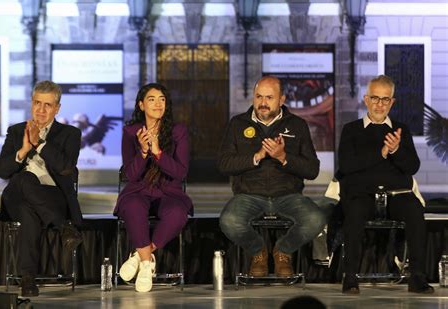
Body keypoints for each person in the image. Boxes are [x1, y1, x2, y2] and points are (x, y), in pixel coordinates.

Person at [218, 76, 326, 277]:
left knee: (316, 219)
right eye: (259, 97)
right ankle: (258, 252)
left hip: (288, 195)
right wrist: (256, 156)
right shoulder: (237, 123)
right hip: (248, 195)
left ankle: (283, 251)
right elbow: (224, 165)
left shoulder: (297, 125)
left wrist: (283, 157)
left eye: (269, 97)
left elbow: (312, 170)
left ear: (282, 100)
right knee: (229, 221)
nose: (263, 103)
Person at [338, 75, 434, 294]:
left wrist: (396, 150)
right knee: (353, 212)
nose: (379, 104)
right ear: (365, 99)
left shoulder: (401, 130)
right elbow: (346, 165)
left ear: (392, 102)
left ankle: (417, 276)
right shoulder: (351, 129)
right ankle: (350, 276)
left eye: (385, 99)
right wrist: (380, 153)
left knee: (415, 211)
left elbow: (412, 167)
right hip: (362, 194)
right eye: (375, 98)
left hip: (397, 195)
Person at [0, 80, 83, 297]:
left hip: (52, 196)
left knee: (29, 211)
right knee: (24, 179)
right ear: (31, 103)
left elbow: (65, 168)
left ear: (57, 108)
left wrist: (40, 144)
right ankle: (64, 228)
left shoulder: (70, 134)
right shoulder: (16, 131)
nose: (41, 110)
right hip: (16, 196)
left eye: (47, 105)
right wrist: (24, 150)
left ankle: (27, 279)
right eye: (37, 103)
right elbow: (1, 170)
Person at [115, 83, 192, 293]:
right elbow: (130, 175)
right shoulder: (131, 132)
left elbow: (180, 172)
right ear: (141, 105)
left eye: (162, 99)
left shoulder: (179, 131)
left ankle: (139, 258)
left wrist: (158, 153)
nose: (158, 104)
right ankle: (148, 264)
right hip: (139, 190)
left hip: (169, 192)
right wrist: (142, 152)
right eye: (151, 99)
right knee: (132, 206)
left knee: (177, 213)